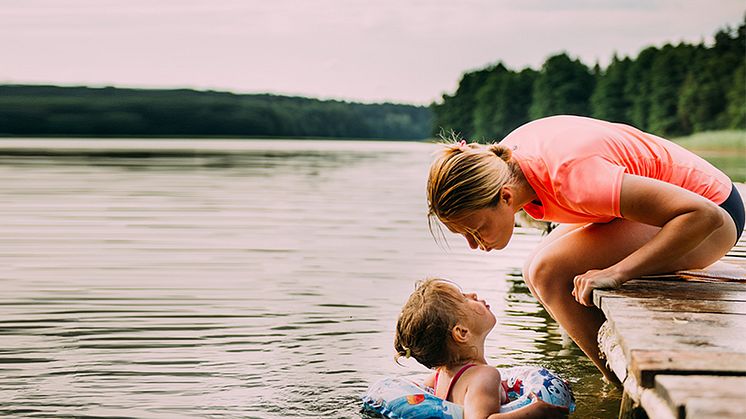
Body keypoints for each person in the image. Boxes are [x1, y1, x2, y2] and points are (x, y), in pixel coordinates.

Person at [426, 115, 745, 384]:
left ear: (506, 198)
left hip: (714, 219)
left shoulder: (573, 178)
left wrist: (619, 273)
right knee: (533, 268)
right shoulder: (504, 163)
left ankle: (623, 383)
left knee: (547, 272)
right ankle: (610, 376)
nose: (473, 244)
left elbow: (704, 215)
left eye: (475, 229)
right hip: (675, 210)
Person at [394, 277, 570, 419]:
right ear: (462, 332)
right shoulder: (484, 376)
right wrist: (535, 412)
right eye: (464, 298)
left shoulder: (438, 377)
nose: (473, 294)